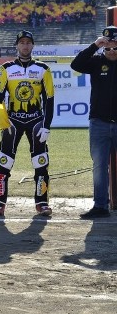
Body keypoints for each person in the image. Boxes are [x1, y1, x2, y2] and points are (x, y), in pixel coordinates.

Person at [0, 31, 55, 217]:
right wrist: (2, 122)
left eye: (28, 42)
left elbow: (50, 99)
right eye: (22, 43)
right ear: (17, 46)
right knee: (4, 162)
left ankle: (42, 203)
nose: (25, 46)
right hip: (12, 121)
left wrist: (47, 126)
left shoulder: (43, 69)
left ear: (33, 45)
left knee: (41, 162)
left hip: (36, 120)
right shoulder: (5, 68)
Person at [71, 26, 117, 219]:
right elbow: (76, 64)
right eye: (107, 48)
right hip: (99, 123)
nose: (112, 51)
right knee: (99, 166)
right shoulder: (96, 62)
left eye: (115, 47)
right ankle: (100, 206)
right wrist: (95, 45)